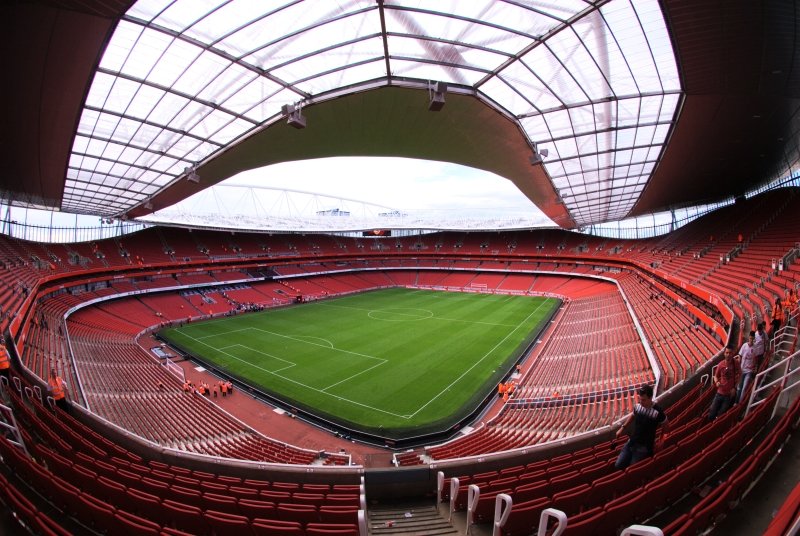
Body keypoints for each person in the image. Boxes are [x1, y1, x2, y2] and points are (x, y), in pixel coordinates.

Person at [615, 384, 667, 470]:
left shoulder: (658, 412)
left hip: (644, 447)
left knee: (632, 469)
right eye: (640, 399)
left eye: (643, 400)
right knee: (618, 465)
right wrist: (622, 428)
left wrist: (661, 441)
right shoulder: (639, 406)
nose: (641, 402)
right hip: (632, 442)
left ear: (650, 398)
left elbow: (666, 427)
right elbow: (633, 415)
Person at [708, 347, 740, 421]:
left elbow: (740, 373)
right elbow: (715, 376)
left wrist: (735, 387)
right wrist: (717, 382)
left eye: (730, 353)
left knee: (721, 415)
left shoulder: (736, 363)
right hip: (719, 393)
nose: (728, 355)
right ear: (724, 354)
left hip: (728, 395)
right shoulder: (720, 365)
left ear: (732, 354)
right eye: (727, 353)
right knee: (711, 414)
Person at [736, 332, 756, 403]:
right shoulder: (744, 345)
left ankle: (740, 403)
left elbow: (754, 358)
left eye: (752, 339)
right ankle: (736, 401)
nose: (751, 340)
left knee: (744, 388)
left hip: (749, 371)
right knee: (739, 387)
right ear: (749, 337)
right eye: (750, 338)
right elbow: (740, 355)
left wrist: (754, 367)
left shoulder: (754, 347)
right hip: (742, 369)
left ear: (754, 339)